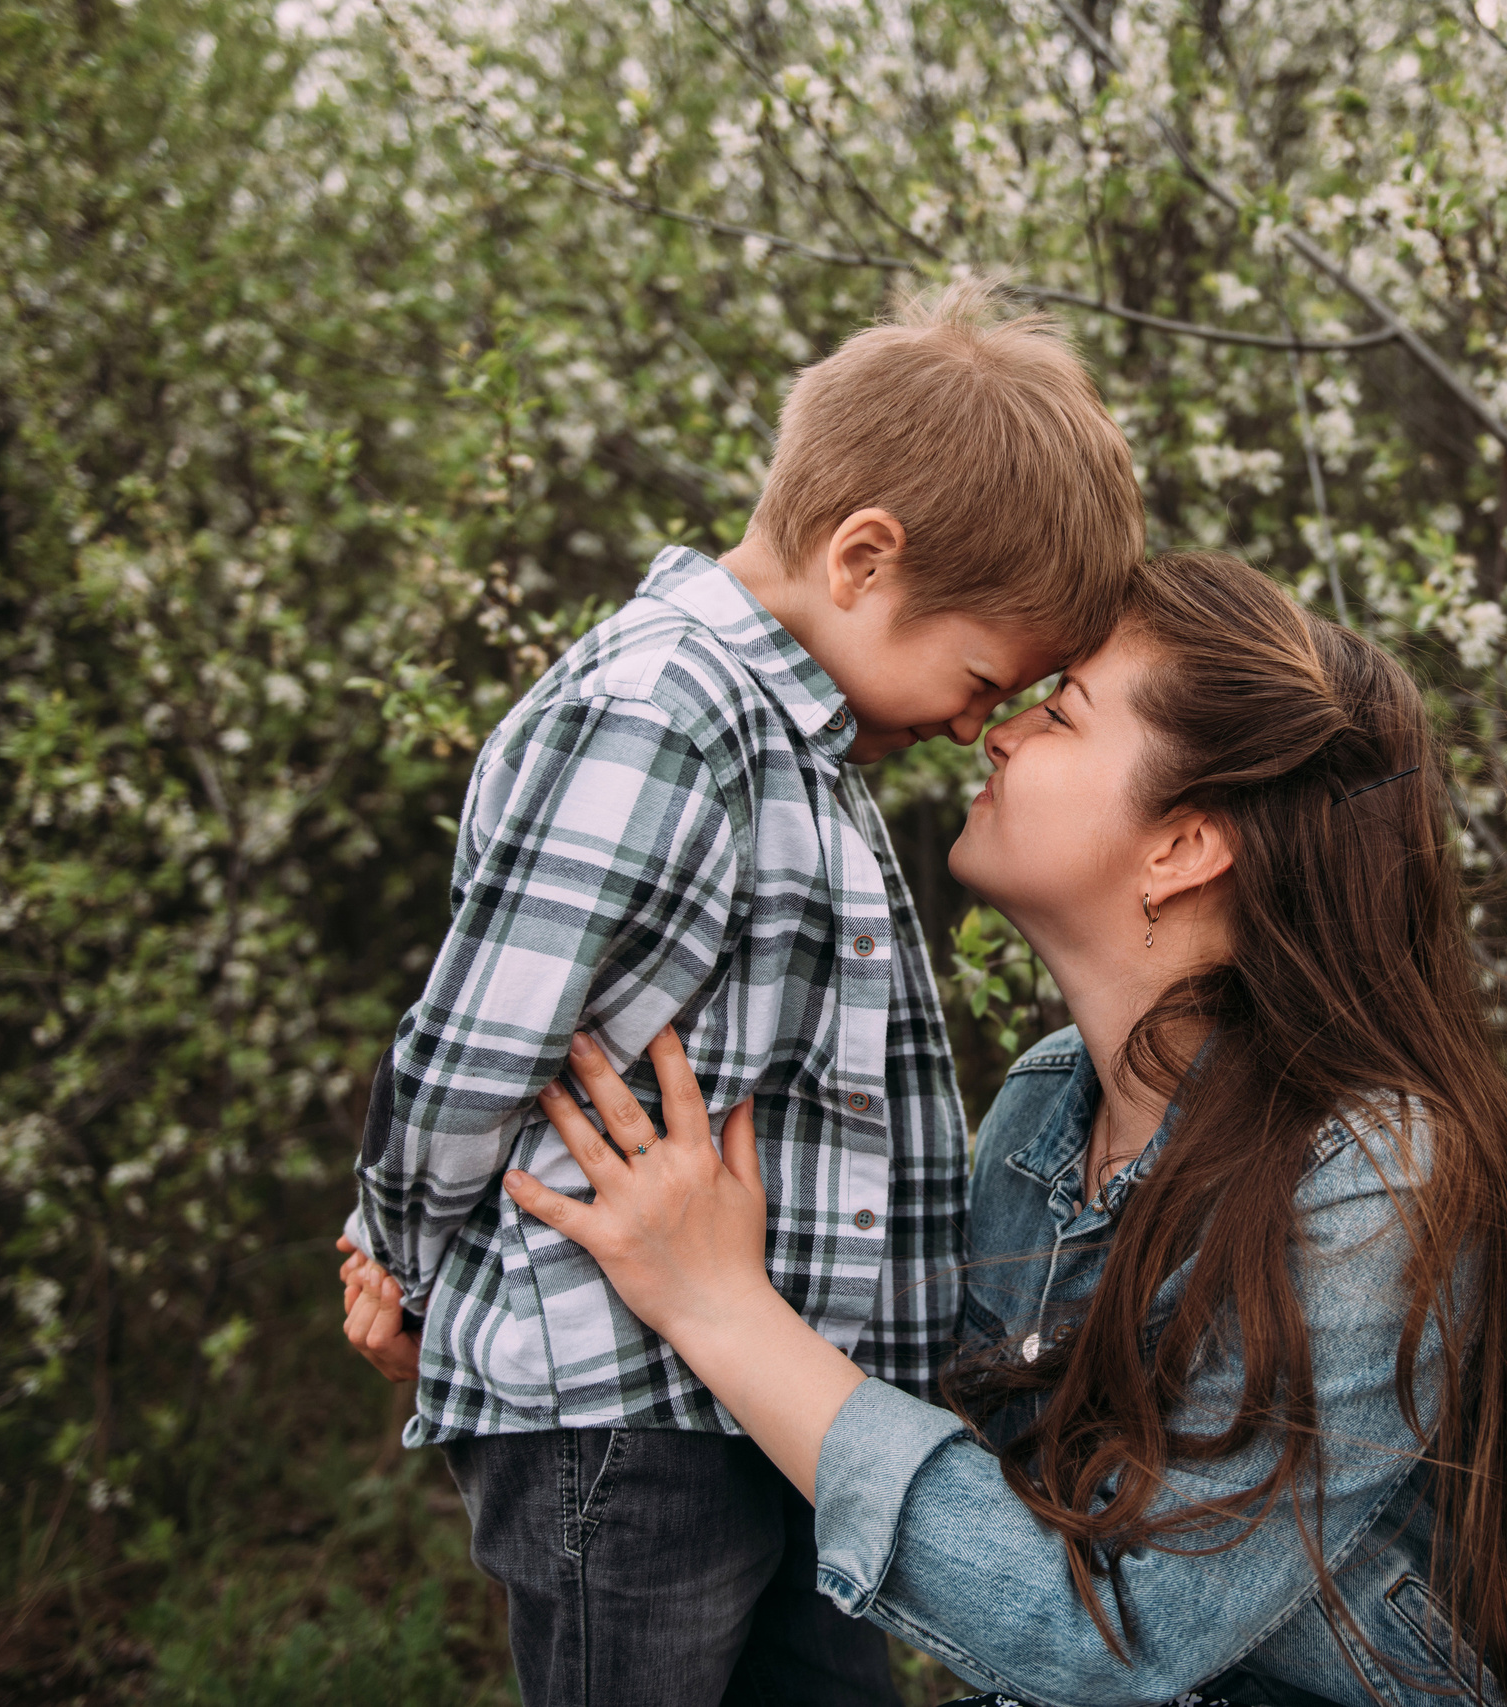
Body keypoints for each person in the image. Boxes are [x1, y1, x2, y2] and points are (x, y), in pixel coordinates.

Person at [497, 551, 1507, 1707]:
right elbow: (943, 1456)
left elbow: (1118, 1639)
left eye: (1060, 714)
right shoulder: (1046, 1108)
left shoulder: (1372, 1182)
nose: (996, 733)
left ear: (1182, 847)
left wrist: (717, 1305)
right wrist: (490, 1298)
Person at [332, 280, 1145, 1707]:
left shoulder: (789, 741)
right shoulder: (661, 712)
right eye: (975, 678)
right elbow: (476, 1036)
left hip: (761, 1397)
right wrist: (398, 1251)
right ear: (863, 557)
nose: (973, 725)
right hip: (619, 1410)